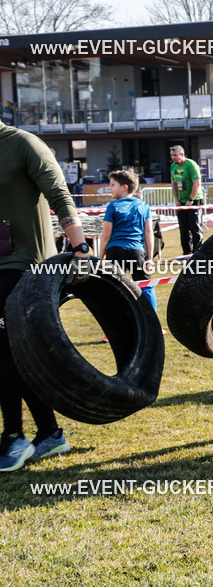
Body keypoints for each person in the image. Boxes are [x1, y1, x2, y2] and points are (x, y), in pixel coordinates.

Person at [1, 122, 91, 471]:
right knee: (12, 353)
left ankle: (14, 437)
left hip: (25, 265)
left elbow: (59, 194)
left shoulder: (23, 144)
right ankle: (50, 434)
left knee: (5, 349)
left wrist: (80, 247)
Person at [98, 169, 157, 312]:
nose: (110, 188)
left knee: (114, 287)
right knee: (146, 286)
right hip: (136, 251)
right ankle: (153, 320)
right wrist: (149, 258)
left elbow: (106, 235)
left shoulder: (112, 206)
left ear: (124, 187)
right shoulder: (143, 206)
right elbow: (149, 232)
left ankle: (117, 320)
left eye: (113, 185)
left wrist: (100, 256)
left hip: (115, 251)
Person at [169, 145, 205, 255]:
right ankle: (186, 253)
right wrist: (176, 200)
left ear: (182, 154)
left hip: (195, 200)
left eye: (175, 155)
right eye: (171, 155)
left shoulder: (191, 165)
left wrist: (191, 199)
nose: (173, 158)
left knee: (195, 227)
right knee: (183, 228)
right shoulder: (173, 166)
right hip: (182, 201)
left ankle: (197, 253)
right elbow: (174, 184)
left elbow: (197, 183)